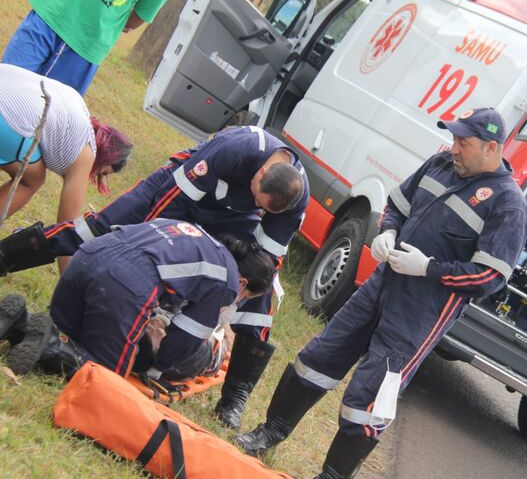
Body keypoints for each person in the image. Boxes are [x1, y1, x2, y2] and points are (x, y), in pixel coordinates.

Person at [235, 108, 527, 478]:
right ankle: (270, 431)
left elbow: (489, 276)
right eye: (454, 139)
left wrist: (429, 269)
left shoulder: (508, 204)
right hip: (381, 285)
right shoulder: (440, 163)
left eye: (463, 142)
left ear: (491, 147)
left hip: (420, 313)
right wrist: (388, 231)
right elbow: (398, 205)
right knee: (319, 356)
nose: (454, 148)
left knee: (370, 397)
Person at [0, 124, 309, 429]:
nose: (257, 206)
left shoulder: (294, 197)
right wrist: (145, 240)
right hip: (176, 189)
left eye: (264, 209)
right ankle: (6, 256)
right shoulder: (236, 148)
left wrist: (235, 299)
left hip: (232, 220)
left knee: (261, 294)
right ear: (261, 174)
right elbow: (172, 200)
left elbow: (268, 259)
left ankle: (234, 398)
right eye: (257, 197)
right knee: (97, 229)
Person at [0, 219, 275, 382]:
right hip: (121, 285)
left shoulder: (189, 231)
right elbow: (182, 343)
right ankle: (49, 343)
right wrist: (153, 367)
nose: (238, 299)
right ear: (243, 284)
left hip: (87, 257)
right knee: (102, 379)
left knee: (73, 337)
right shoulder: (226, 280)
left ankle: (20, 323)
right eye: (246, 297)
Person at [2, 0, 174, 95]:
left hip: (85, 48)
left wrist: (111, 16)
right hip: (49, 16)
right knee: (7, 85)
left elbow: (137, 18)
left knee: (51, 113)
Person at [0, 64, 133, 224]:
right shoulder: (87, 153)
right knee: (32, 180)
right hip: (6, 116)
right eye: (100, 172)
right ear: (104, 156)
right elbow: (66, 223)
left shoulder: (77, 102)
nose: (92, 176)